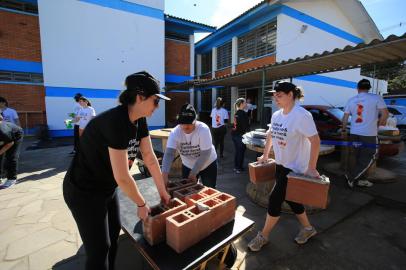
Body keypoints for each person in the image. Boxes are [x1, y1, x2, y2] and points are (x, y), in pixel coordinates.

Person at [63, 71, 171, 270]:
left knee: (113, 237)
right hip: (83, 191)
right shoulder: (116, 122)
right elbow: (122, 177)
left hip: (107, 187)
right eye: (156, 101)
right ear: (140, 97)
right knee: (99, 250)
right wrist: (141, 203)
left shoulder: (140, 120)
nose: (157, 106)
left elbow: (149, 157)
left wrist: (162, 191)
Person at [248, 81, 320, 252]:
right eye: (274, 95)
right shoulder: (277, 115)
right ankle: (309, 229)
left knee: (274, 199)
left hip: (295, 168)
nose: (275, 98)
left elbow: (315, 141)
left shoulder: (302, 116)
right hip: (280, 165)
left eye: (279, 95)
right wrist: (266, 155)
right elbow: (271, 134)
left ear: (290, 95)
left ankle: (263, 236)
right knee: (292, 199)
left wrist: (311, 167)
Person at [342, 79, 389, 188]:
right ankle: (352, 177)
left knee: (357, 156)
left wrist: (344, 130)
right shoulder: (376, 98)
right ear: (369, 88)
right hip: (369, 135)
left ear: (357, 88)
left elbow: (345, 118)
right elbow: (385, 114)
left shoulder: (351, 100)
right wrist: (378, 125)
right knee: (371, 155)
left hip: (354, 133)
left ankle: (360, 179)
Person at [162, 104, 218, 188]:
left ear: (195, 120)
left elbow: (205, 153)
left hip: (208, 164)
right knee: (187, 190)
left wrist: (194, 173)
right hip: (188, 164)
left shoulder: (203, 129)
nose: (185, 126)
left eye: (189, 123)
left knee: (210, 189)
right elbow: (169, 154)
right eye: (182, 123)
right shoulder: (175, 133)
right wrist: (164, 175)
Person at [0, 115, 23, 189]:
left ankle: (11, 179)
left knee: (11, 156)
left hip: (16, 136)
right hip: (3, 138)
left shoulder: (3, 131)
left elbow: (10, 143)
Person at [231, 98, 249, 174]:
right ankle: (238, 168)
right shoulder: (243, 113)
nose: (246, 104)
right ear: (241, 104)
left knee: (238, 151)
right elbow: (245, 127)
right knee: (240, 152)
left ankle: (236, 167)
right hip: (240, 136)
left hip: (234, 135)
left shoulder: (237, 113)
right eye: (245, 103)